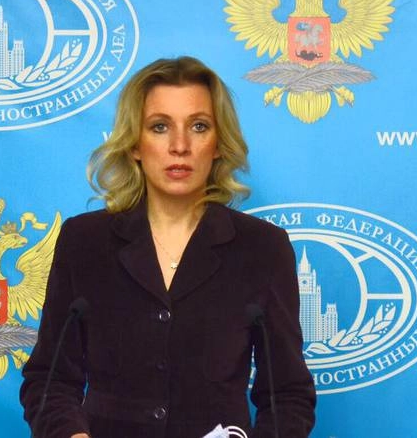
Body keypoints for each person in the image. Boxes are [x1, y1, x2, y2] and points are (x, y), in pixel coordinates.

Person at [20, 56, 316, 438]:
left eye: (198, 126)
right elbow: (49, 381)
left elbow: (287, 397)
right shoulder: (84, 241)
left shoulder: (263, 248)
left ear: (218, 144)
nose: (179, 146)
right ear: (135, 144)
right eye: (160, 127)